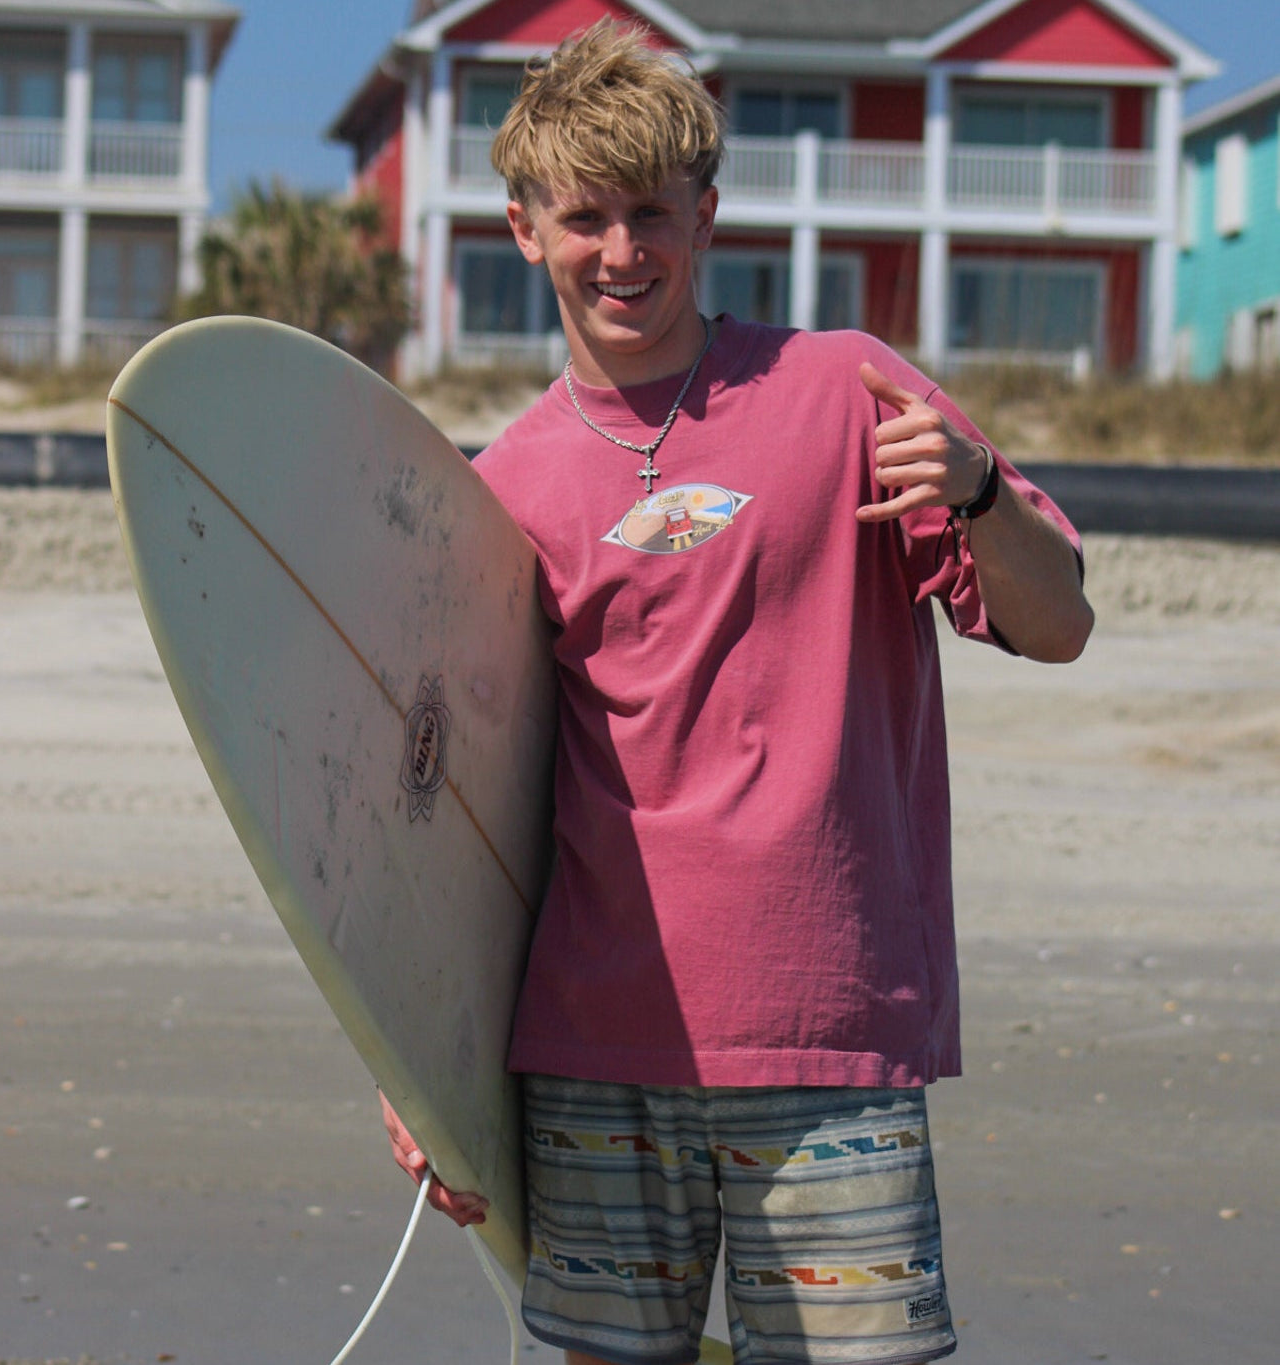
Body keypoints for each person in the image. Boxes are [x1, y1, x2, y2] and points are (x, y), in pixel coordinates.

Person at [382, 18, 1094, 1365]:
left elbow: (1057, 626)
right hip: (592, 1046)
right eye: (583, 217)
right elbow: (461, 816)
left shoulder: (843, 392)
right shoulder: (502, 491)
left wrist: (980, 492)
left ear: (704, 216)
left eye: (651, 212)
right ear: (523, 230)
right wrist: (418, 1062)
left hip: (825, 1033)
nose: (622, 251)